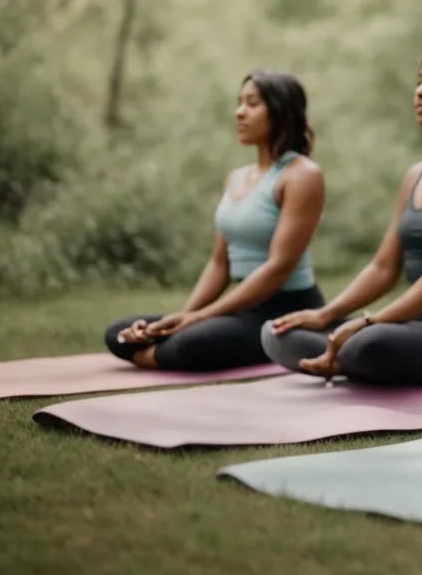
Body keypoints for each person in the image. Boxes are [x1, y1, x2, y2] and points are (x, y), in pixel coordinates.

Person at [263, 38, 422, 385]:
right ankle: (347, 356)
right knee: (279, 331)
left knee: (366, 345)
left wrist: (371, 322)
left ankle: (351, 357)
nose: (421, 91)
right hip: (414, 328)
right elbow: (384, 267)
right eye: (420, 81)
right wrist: (327, 314)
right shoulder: (416, 174)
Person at [104, 71, 325, 370]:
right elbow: (220, 263)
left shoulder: (302, 175)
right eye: (239, 103)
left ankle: (158, 354)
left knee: (190, 345)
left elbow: (278, 268)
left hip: (286, 310)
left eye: (252, 103)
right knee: (119, 333)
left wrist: (197, 320)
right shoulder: (235, 179)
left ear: (279, 111)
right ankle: (162, 351)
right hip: (241, 306)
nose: (239, 112)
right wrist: (183, 317)